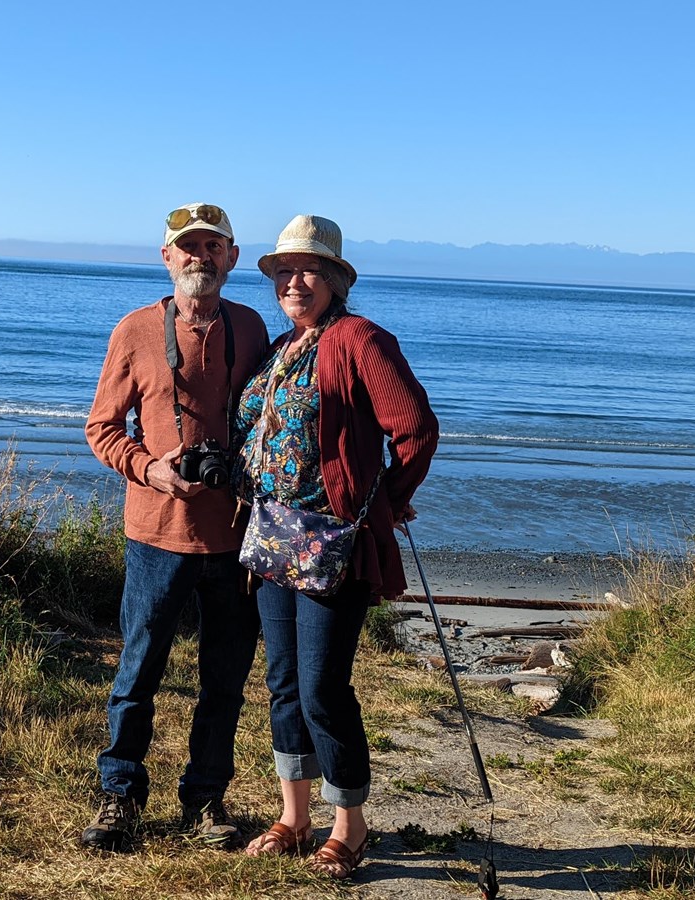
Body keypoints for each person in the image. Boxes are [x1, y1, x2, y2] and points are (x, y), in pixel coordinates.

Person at [234, 214, 438, 878]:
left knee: (323, 687)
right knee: (284, 683)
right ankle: (294, 817)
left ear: (335, 281)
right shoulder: (281, 346)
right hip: (272, 543)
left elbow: (414, 429)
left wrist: (387, 498)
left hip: (332, 546)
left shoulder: (359, 339)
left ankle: (349, 825)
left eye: (310, 271)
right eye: (286, 272)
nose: (296, 281)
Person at [81, 203, 271, 852]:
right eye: (187, 247)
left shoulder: (251, 327)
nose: (200, 257)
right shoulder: (135, 331)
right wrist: (151, 469)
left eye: (213, 247)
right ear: (167, 258)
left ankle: (206, 800)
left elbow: (271, 422)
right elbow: (101, 430)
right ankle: (119, 797)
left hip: (235, 533)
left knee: (224, 679)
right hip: (156, 531)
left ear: (232, 258)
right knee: (138, 671)